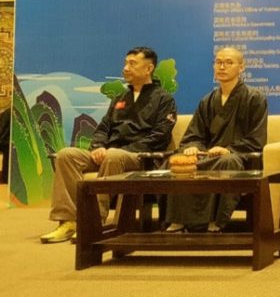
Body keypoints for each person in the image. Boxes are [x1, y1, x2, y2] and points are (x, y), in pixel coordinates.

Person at [41, 46, 177, 243]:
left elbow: (160, 137)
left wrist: (121, 150)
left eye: (132, 64)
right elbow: (104, 127)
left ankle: (94, 222)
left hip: (139, 157)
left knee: (114, 157)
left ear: (149, 68)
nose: (126, 68)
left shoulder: (163, 99)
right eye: (125, 63)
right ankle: (68, 221)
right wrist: (98, 146)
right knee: (66, 155)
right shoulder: (120, 98)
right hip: (109, 153)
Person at [164, 47, 268, 233]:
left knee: (227, 162)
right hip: (208, 156)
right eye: (218, 62)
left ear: (241, 67)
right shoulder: (208, 100)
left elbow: (256, 138)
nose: (222, 67)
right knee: (178, 162)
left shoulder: (254, 98)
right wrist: (193, 146)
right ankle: (179, 218)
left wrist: (228, 149)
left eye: (229, 62)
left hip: (240, 158)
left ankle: (216, 221)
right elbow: (194, 134)